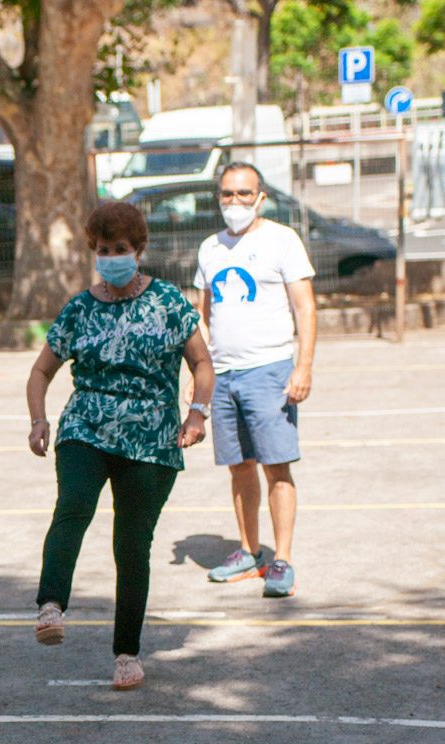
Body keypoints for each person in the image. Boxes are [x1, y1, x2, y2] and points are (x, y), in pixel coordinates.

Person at [27, 200, 214, 690]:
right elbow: (41, 370)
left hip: (151, 437)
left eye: (121, 249)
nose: (112, 257)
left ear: (139, 249)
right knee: (73, 506)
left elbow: (202, 364)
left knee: (132, 544)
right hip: (86, 426)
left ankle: (127, 653)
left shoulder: (170, 304)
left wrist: (197, 413)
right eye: (103, 249)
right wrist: (39, 419)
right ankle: (50, 605)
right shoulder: (80, 309)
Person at [194, 162, 316, 598]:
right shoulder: (210, 248)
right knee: (239, 467)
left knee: (276, 466)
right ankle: (248, 552)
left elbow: (305, 309)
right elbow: (203, 318)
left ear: (261, 197)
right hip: (224, 376)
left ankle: (281, 559)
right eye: (227, 194)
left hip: (270, 372)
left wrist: (302, 367)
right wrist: (199, 376)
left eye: (244, 194)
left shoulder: (282, 241)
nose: (235, 202)